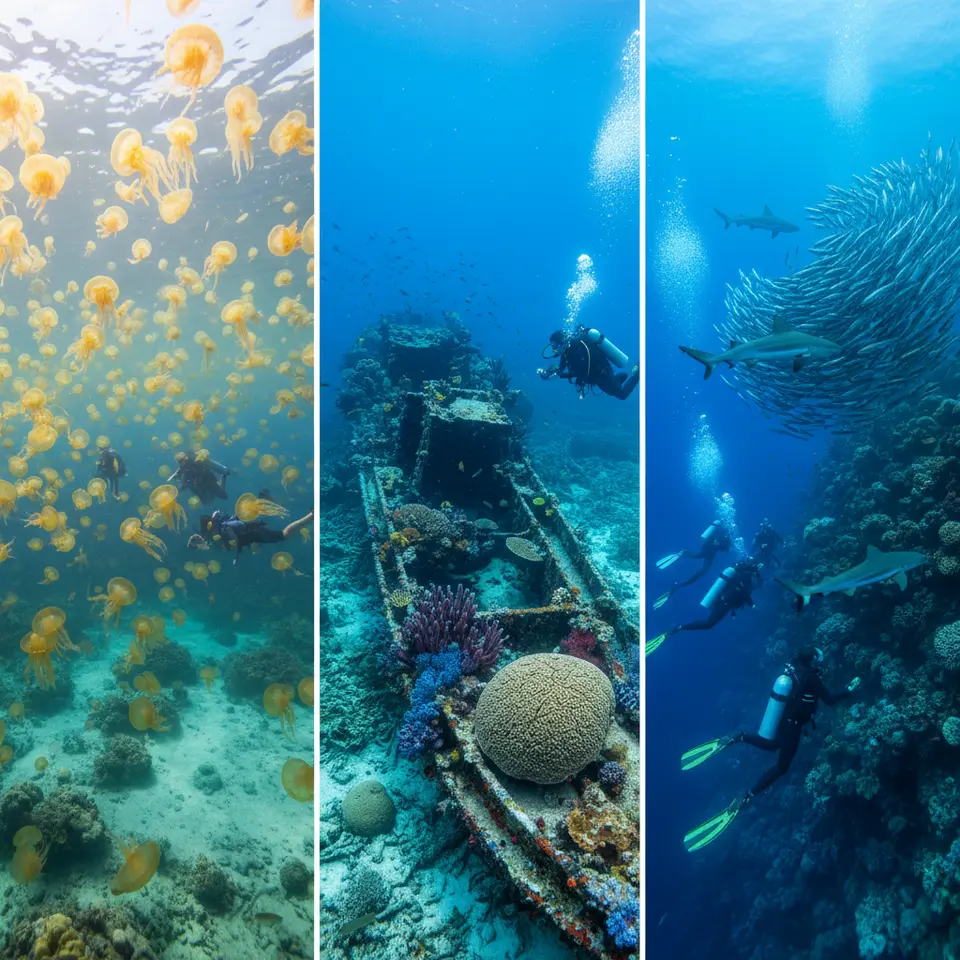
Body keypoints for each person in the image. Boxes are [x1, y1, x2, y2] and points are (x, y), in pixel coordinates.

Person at [679, 646, 861, 851]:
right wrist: (848, 691)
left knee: (771, 745)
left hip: (784, 720)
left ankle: (739, 737)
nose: (821, 662)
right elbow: (829, 700)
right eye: (818, 659)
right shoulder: (811, 677)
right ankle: (747, 795)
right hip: (792, 727)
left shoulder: (793, 671)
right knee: (782, 767)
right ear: (811, 662)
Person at [646, 559, 761, 655]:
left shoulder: (740, 576)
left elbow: (741, 593)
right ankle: (678, 627)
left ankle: (676, 590)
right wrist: (753, 605)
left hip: (722, 601)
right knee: (708, 624)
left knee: (708, 623)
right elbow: (744, 593)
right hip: (724, 603)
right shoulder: (744, 578)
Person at [538, 326, 639, 400]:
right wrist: (549, 373)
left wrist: (560, 375)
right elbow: (561, 367)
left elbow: (581, 373)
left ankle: (639, 372)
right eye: (553, 348)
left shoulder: (575, 350)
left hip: (603, 374)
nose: (554, 351)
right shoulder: (566, 352)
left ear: (562, 343)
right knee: (614, 387)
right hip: (598, 375)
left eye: (555, 347)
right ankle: (618, 379)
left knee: (622, 395)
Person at [191, 508, 314, 566]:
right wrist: (195, 542)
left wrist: (237, 558)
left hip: (254, 533)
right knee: (279, 536)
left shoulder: (224, 529)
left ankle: (311, 516)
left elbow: (237, 540)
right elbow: (208, 543)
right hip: (252, 535)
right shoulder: (217, 531)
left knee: (283, 536)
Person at [653, 520, 732, 609]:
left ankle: (683, 554)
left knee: (698, 560)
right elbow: (723, 547)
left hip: (708, 548)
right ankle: (679, 583)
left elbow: (714, 542)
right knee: (702, 570)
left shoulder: (720, 530)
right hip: (710, 550)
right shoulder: (725, 534)